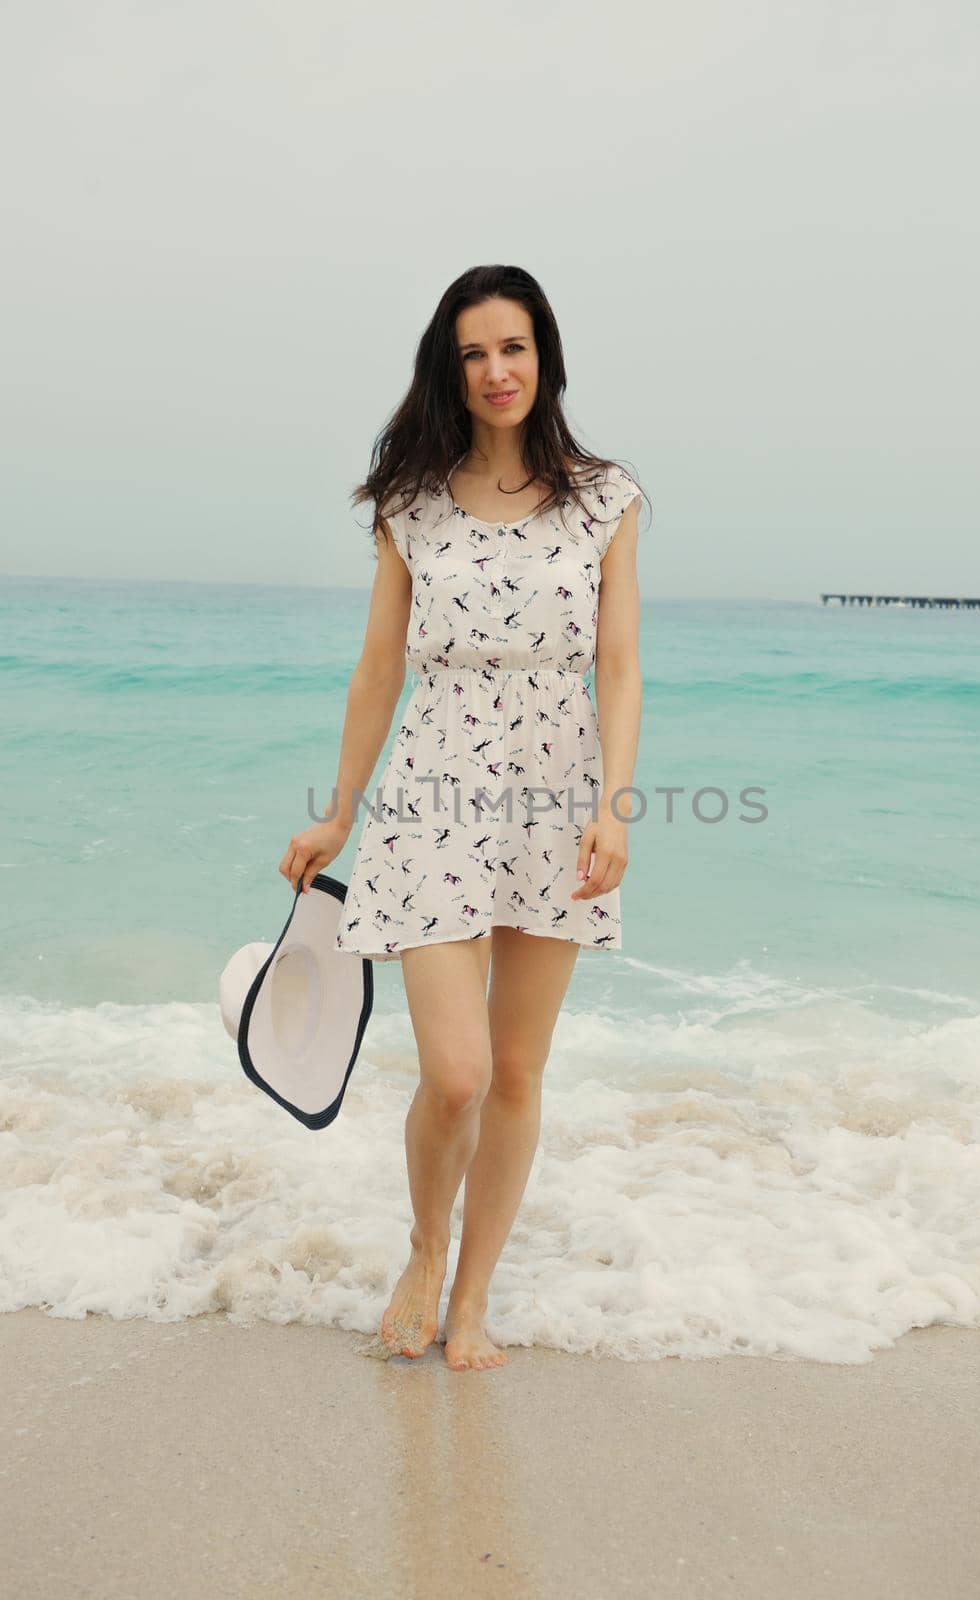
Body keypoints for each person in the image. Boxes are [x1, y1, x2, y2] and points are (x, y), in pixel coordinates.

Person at [278, 264, 645, 1371]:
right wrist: (338, 813)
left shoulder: (605, 496)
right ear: (451, 368)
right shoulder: (410, 503)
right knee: (456, 1072)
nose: (497, 370)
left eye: (515, 347)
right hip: (430, 792)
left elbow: (620, 665)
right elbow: (378, 665)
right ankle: (422, 1248)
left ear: (546, 358)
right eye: (475, 352)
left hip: (555, 795)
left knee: (520, 1070)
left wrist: (613, 808)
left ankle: (474, 1296)